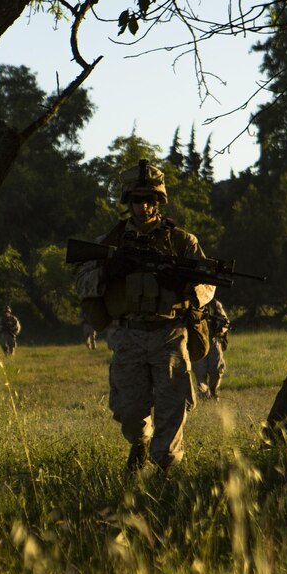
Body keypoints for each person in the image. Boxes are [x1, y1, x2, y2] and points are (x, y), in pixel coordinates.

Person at [76, 159, 215, 473]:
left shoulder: (182, 242)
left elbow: (208, 286)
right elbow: (82, 284)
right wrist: (108, 270)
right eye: (137, 199)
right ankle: (140, 443)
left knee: (173, 405)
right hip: (128, 334)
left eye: (150, 199)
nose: (144, 206)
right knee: (129, 409)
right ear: (128, 202)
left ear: (159, 201)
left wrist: (184, 286)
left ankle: (165, 466)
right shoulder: (109, 243)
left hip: (170, 332)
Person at [192, 297, 230, 401]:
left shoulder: (214, 304)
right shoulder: (191, 302)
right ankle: (204, 398)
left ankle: (213, 393)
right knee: (200, 374)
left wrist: (219, 325)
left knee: (216, 370)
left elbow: (225, 322)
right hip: (197, 341)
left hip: (213, 339)